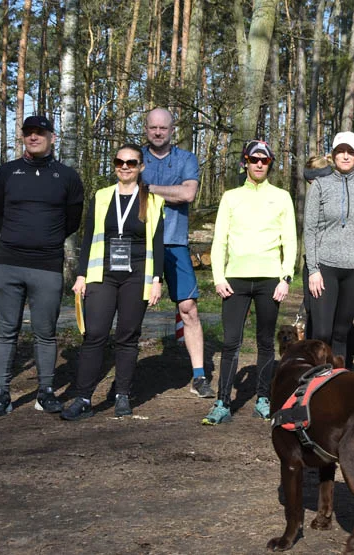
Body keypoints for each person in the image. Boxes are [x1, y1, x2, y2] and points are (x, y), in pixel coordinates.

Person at [0, 115, 84, 416]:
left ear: (52, 137)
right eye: (28, 132)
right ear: (23, 137)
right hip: (8, 263)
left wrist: (45, 241)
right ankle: (2, 394)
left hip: (47, 265)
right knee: (6, 332)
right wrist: (19, 239)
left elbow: (72, 219)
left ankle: (46, 391)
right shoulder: (6, 173)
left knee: (46, 332)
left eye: (39, 133)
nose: (33, 137)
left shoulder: (67, 177)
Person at [61, 144, 165, 421]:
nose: (125, 167)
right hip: (103, 273)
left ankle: (122, 394)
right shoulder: (102, 196)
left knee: (127, 336)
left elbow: (157, 242)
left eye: (131, 162)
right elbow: (89, 237)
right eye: (120, 161)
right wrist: (81, 275)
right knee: (94, 335)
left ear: (141, 167)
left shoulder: (153, 200)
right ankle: (83, 397)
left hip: (138, 274)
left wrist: (157, 280)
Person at [201, 140, 296, 425]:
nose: (258, 164)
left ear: (269, 164)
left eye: (264, 161)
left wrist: (286, 277)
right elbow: (220, 241)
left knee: (266, 342)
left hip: (270, 280)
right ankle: (222, 402)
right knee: (231, 342)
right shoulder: (230, 197)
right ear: (245, 161)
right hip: (235, 280)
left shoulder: (281, 197)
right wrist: (218, 277)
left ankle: (263, 399)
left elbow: (290, 241)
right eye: (254, 159)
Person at [141, 108, 213, 398]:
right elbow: (128, 189)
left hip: (174, 243)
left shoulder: (186, 159)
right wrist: (169, 191)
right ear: (145, 129)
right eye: (152, 127)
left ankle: (198, 376)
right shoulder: (135, 157)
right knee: (130, 307)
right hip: (139, 244)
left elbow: (188, 194)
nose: (158, 132)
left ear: (172, 130)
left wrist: (149, 188)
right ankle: (125, 376)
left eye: (163, 128)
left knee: (188, 309)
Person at [303, 131, 354, 367]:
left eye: (351, 152)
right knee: (322, 332)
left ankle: (338, 383)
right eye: (341, 151)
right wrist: (314, 269)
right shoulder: (319, 185)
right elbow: (309, 229)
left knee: (341, 332)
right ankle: (315, 385)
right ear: (334, 154)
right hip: (325, 267)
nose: (345, 156)